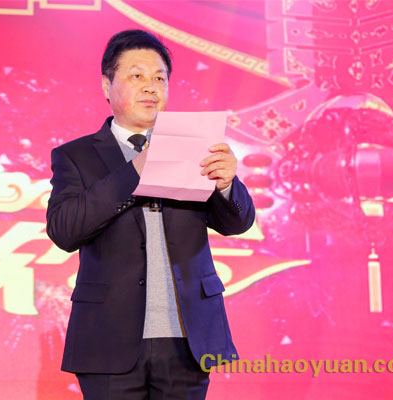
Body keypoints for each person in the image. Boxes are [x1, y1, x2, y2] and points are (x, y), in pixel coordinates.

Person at [46, 29, 255, 400]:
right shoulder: (75, 156)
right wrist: (135, 170)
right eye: (136, 75)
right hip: (108, 341)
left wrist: (227, 185)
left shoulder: (196, 148)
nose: (151, 87)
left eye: (160, 78)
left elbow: (237, 223)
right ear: (107, 86)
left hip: (187, 339)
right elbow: (64, 230)